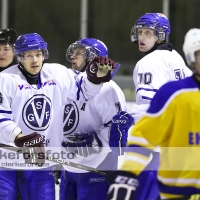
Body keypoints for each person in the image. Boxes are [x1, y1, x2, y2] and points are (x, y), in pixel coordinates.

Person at [0, 33, 116, 200]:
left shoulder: (58, 73)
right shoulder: (5, 79)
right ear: (19, 57)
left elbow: (82, 90)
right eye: (29, 55)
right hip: (7, 162)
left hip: (41, 161)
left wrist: (94, 78)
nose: (35, 60)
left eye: (38, 55)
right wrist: (19, 137)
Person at [106, 28, 200, 200]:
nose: (141, 37)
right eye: (140, 32)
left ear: (160, 37)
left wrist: (128, 118)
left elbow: (150, 107)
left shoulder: (148, 62)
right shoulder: (176, 57)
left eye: (148, 33)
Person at [59, 38, 132, 200]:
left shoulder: (108, 89)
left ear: (93, 58)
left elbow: (118, 134)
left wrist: (94, 141)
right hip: (69, 168)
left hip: (97, 169)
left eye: (79, 53)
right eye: (74, 52)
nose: (73, 56)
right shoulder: (68, 83)